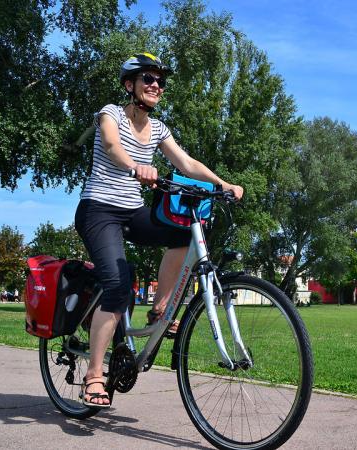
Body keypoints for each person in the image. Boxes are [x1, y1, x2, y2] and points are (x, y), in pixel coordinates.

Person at [74, 53, 243, 408]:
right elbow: (110, 146)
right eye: (148, 79)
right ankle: (93, 376)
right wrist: (136, 166)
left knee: (183, 233)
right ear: (129, 85)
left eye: (160, 81)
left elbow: (186, 162)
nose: (155, 86)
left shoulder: (159, 128)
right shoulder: (112, 113)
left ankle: (160, 313)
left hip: (133, 211)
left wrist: (222, 183)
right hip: (99, 210)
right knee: (118, 289)